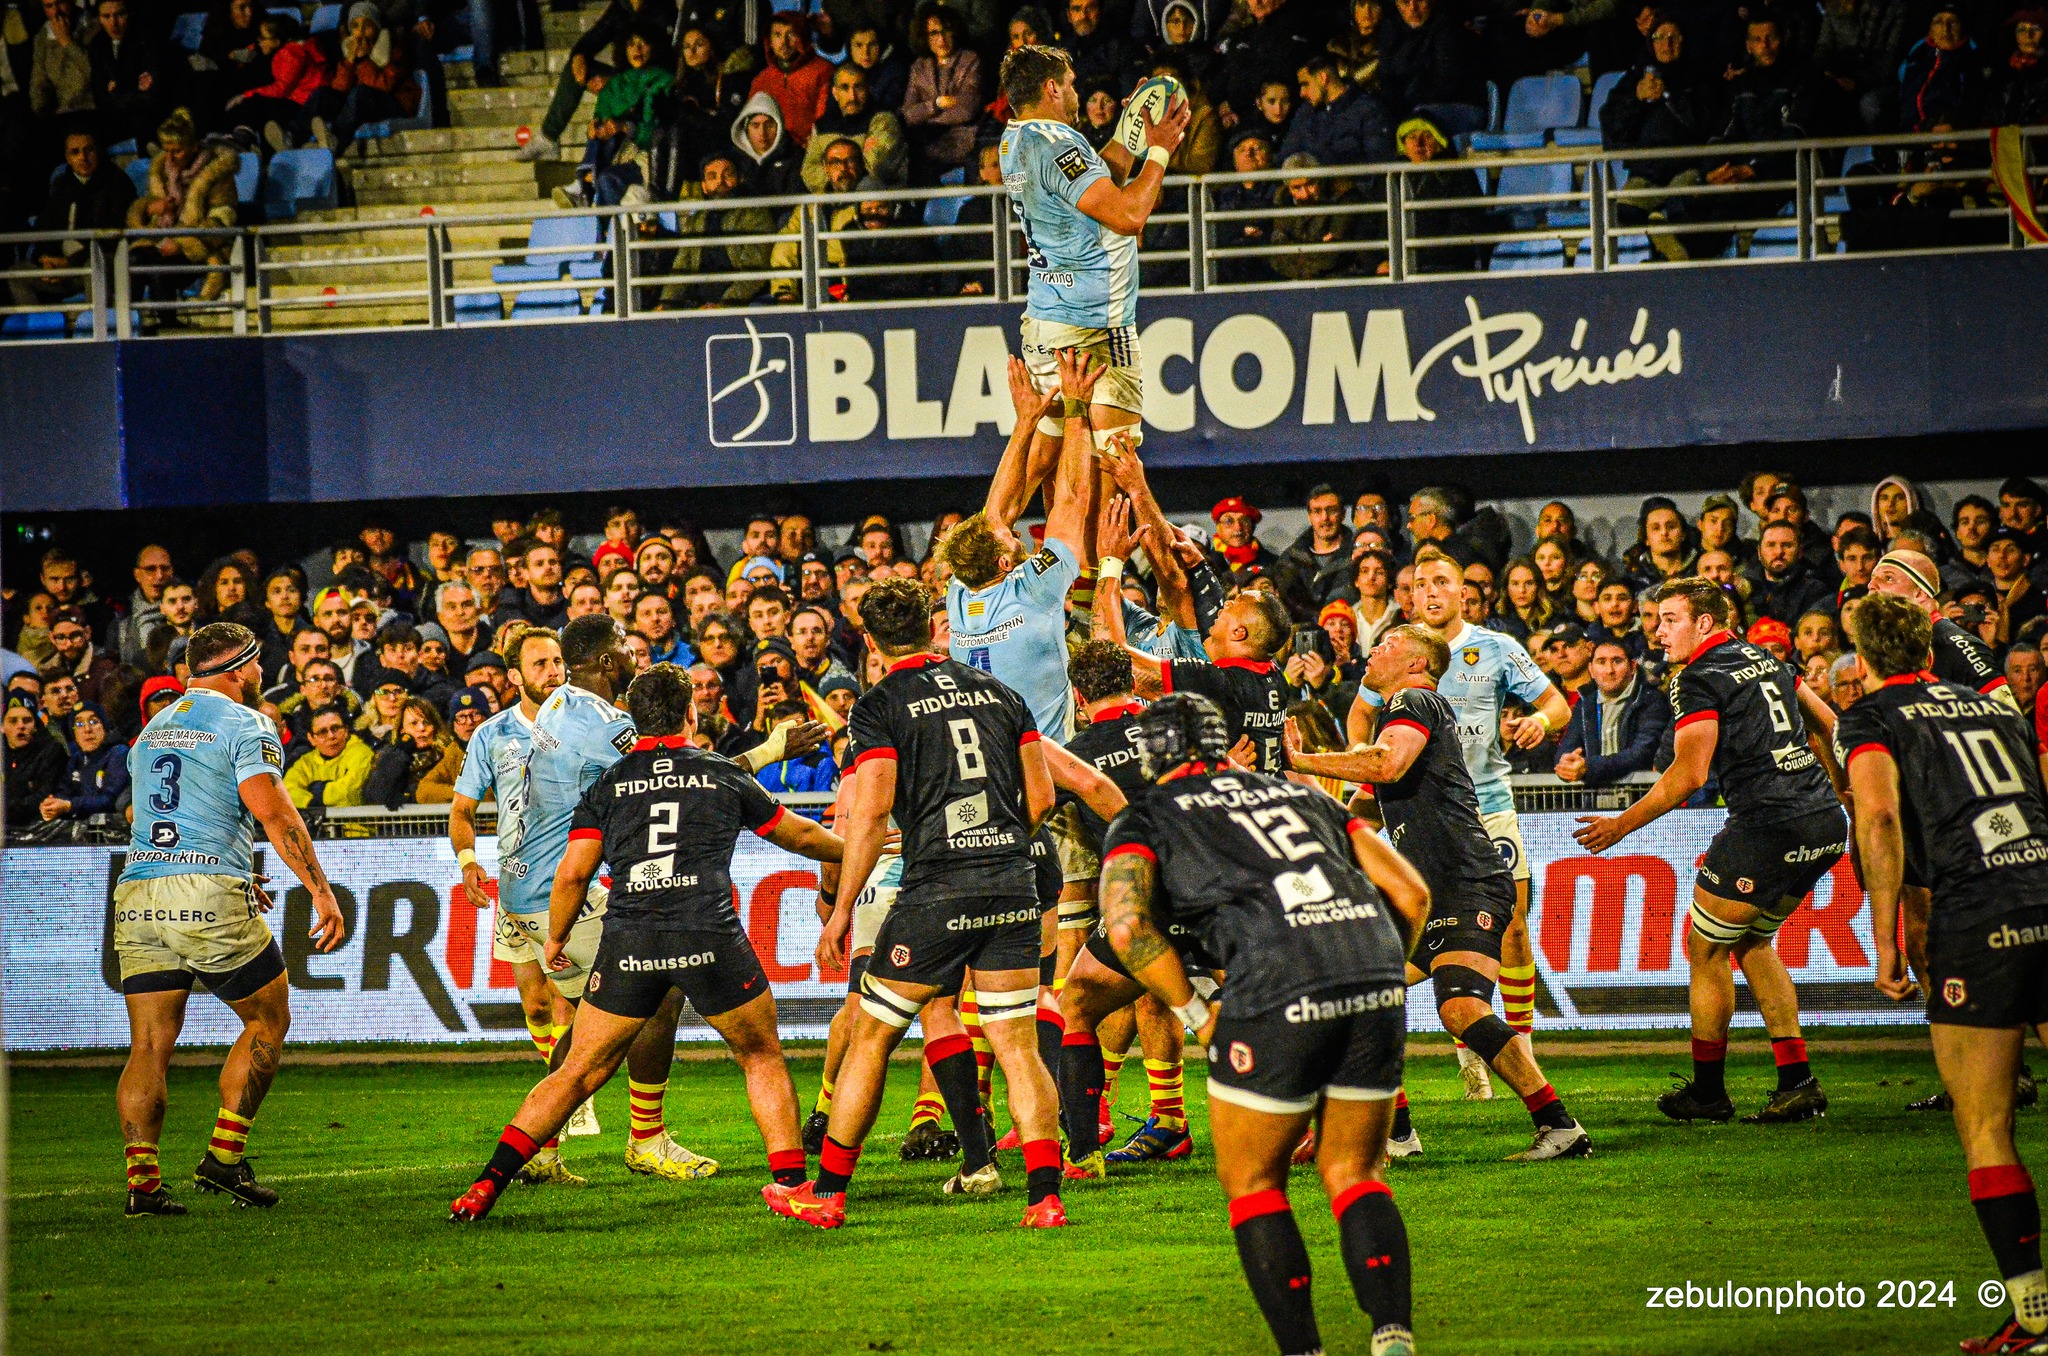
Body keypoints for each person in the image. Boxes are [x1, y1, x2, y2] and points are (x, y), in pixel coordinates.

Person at [449, 664, 845, 1223]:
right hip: (709, 934)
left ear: (634, 720)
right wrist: (861, 850)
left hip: (631, 939)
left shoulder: (607, 785)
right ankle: (792, 1186)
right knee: (758, 1054)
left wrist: (557, 936)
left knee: (578, 1072)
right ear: (690, 714)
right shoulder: (719, 774)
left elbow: (572, 874)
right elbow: (801, 835)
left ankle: (486, 1185)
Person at [1101, 693, 1430, 1356]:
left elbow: (1128, 925)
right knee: (1355, 1172)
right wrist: (1374, 972)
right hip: (1369, 973)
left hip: (1273, 983)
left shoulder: (1146, 817)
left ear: (1150, 751)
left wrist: (1197, 1016)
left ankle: (1302, 1350)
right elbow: (1412, 893)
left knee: (1253, 1182)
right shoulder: (1304, 795)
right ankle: (1392, 1334)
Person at [778, 576, 1066, 1230]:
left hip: (938, 883)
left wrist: (845, 905)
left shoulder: (880, 705)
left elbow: (873, 808)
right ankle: (1045, 1198)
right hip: (1012, 880)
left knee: (874, 1033)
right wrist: (997, 841)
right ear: (937, 627)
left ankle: (825, 1196)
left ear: (874, 642)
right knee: (1016, 1045)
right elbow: (1043, 797)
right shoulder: (1000, 694)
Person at [1287, 625, 1595, 1163]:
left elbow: (1385, 765)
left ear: (1414, 662)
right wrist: (1281, 775)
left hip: (1464, 881)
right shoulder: (1401, 720)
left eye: (1384, 646)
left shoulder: (1414, 700)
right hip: (1436, 892)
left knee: (1459, 1008)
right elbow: (1356, 812)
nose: (1372, 652)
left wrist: (1301, 760)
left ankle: (1559, 1126)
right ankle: (1396, 1132)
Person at [1835, 592, 2048, 1356]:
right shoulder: (1995, 708)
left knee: (1986, 1123)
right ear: (1929, 650)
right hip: (2044, 886)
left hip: (1977, 916)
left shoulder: (1869, 719)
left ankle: (2034, 1315)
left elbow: (1881, 819)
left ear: (1862, 657)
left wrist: (1886, 931)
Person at [1574, 578, 1846, 1125]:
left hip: (1768, 827)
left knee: (1703, 947)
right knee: (1751, 941)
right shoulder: (1768, 659)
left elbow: (1689, 772)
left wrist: (1621, 825)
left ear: (1704, 623)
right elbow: (1830, 723)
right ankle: (1797, 1081)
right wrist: (1841, 788)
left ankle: (1708, 1092)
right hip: (1821, 823)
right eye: (1656, 618)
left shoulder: (1695, 678)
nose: (1657, 630)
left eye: (1669, 618)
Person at [111, 622, 346, 1216]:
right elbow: (273, 810)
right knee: (269, 1019)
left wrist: (234, 866)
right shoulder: (246, 722)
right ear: (241, 668)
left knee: (149, 1044)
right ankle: (223, 1158)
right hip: (206, 890)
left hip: (139, 890)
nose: (262, 675)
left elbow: (156, 811)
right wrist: (320, 891)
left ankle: (142, 1181)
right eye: (259, 665)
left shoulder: (151, 731)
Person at [1353, 545, 1568, 1095]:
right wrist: (1365, 764)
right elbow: (1361, 712)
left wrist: (1540, 722)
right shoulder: (1397, 654)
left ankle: (1514, 1044)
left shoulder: (1496, 648)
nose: (1430, 591)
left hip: (1486, 805)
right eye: (1420, 583)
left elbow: (1556, 703)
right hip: (1416, 813)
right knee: (1415, 929)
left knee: (1512, 924)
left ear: (1462, 591)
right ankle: (1469, 1041)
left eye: (1441, 582)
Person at [998, 41, 1188, 467]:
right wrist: (1160, 149)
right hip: (1094, 327)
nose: (1076, 93)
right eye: (1071, 84)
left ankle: (993, 533)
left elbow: (1091, 189)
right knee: (1109, 474)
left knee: (1047, 467)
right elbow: (1127, 215)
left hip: (1047, 322)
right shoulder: (1057, 143)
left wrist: (1129, 131)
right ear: (1051, 88)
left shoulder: (1014, 139)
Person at [446, 626, 590, 1135]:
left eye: (557, 661)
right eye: (540, 664)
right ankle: (560, 1079)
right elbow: (462, 809)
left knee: (571, 996)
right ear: (514, 677)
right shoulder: (492, 734)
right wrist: (468, 860)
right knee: (535, 1001)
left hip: (575, 886)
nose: (553, 671)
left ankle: (571, 1090)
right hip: (513, 889)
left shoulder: (586, 722)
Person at [941, 349, 1097, 743]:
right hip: (1050, 766)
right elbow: (1072, 499)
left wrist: (1027, 421)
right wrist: (1077, 407)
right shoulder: (1029, 591)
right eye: (1010, 536)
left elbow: (997, 512)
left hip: (994, 763)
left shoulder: (961, 596)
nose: (1015, 529)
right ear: (1003, 562)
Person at [1554, 639, 1668, 786]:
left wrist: (1589, 767)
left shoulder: (1651, 700)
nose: (1609, 670)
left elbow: (1642, 753)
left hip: (1642, 796)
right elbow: (1567, 749)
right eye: (1601, 662)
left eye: (1617, 661)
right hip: (1596, 802)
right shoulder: (1585, 704)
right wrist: (1566, 765)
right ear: (1591, 670)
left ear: (1633, 667)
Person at [41, 700, 128, 821]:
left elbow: (111, 800)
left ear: (105, 726)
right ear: (74, 733)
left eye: (93, 722)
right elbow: (63, 790)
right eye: (79, 724)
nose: (87, 729)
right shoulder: (76, 758)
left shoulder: (119, 753)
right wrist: (52, 804)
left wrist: (70, 805)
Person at [282, 705, 374, 809]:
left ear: (346, 731)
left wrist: (318, 791)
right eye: (322, 732)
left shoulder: (362, 753)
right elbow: (287, 791)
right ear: (311, 738)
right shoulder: (305, 762)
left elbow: (349, 792)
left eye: (335, 728)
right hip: (316, 824)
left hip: (355, 824)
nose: (331, 736)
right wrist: (311, 802)